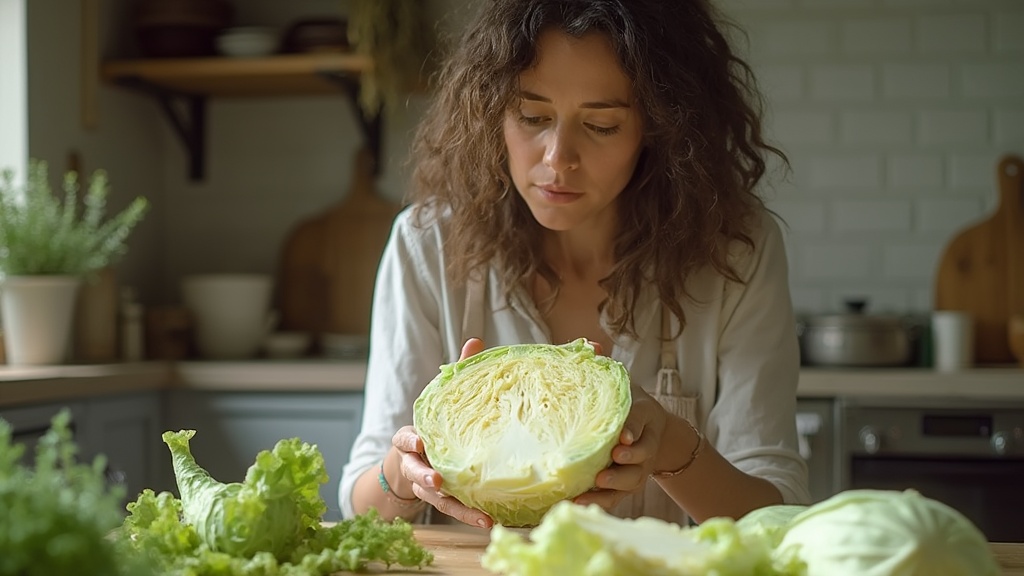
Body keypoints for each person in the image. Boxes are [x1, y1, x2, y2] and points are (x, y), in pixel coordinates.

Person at [339, 0, 811, 529]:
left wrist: (673, 448)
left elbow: (779, 514)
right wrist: (407, 474)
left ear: (660, 128)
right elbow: (363, 508)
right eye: (533, 116)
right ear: (492, 110)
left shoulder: (735, 252)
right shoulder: (426, 244)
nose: (558, 157)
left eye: (602, 125)